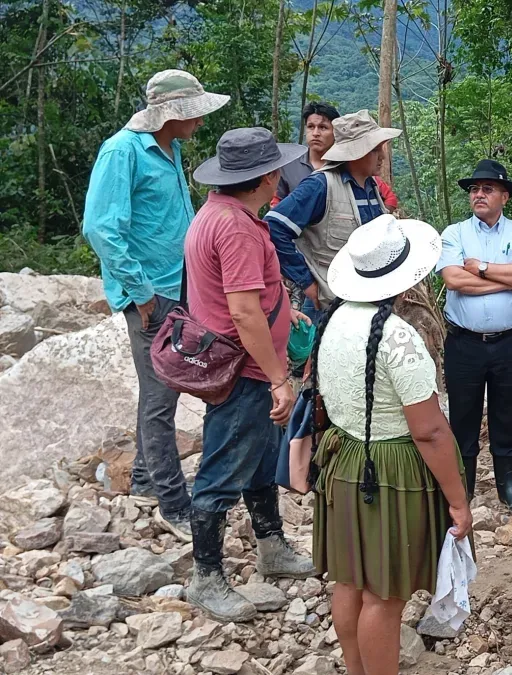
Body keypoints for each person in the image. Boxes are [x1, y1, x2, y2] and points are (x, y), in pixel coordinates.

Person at [312, 215, 472, 675]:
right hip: (389, 471)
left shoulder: (335, 319)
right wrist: (458, 502)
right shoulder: (397, 336)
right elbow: (429, 431)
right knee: (384, 594)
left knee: (350, 580)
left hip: (343, 459)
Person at [82, 69, 229, 541]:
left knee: (163, 388)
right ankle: (173, 502)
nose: (199, 122)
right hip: (151, 293)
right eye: (193, 113)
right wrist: (140, 291)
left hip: (178, 285)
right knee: (161, 396)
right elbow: (101, 228)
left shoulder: (170, 148)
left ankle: (146, 480)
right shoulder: (122, 151)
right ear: (171, 114)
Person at [184, 128, 318, 622]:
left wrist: (282, 308)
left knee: (260, 458)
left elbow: (243, 295)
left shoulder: (219, 212)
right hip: (244, 370)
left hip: (243, 364)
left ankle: (271, 545)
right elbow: (242, 311)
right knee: (222, 469)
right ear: (266, 177)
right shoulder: (237, 228)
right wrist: (279, 378)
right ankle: (206, 576)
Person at [436, 159, 512, 514]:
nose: (478, 194)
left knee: (508, 414)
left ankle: (507, 485)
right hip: (464, 343)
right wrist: (508, 279)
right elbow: (454, 280)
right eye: (474, 189)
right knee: (463, 415)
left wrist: (481, 268)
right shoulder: (454, 233)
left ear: (505, 196)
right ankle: (462, 485)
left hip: (510, 342)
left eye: (487, 188)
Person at [265, 110, 401, 324]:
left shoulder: (371, 186)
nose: (382, 157)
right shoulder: (320, 185)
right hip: (330, 305)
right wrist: (307, 283)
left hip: (367, 300)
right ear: (356, 154)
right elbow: (274, 227)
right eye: (375, 150)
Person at [271, 102, 399, 211]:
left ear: (335, 133)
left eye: (323, 127)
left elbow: (390, 198)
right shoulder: (290, 168)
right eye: (310, 127)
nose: (315, 133)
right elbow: (276, 208)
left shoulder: (354, 169)